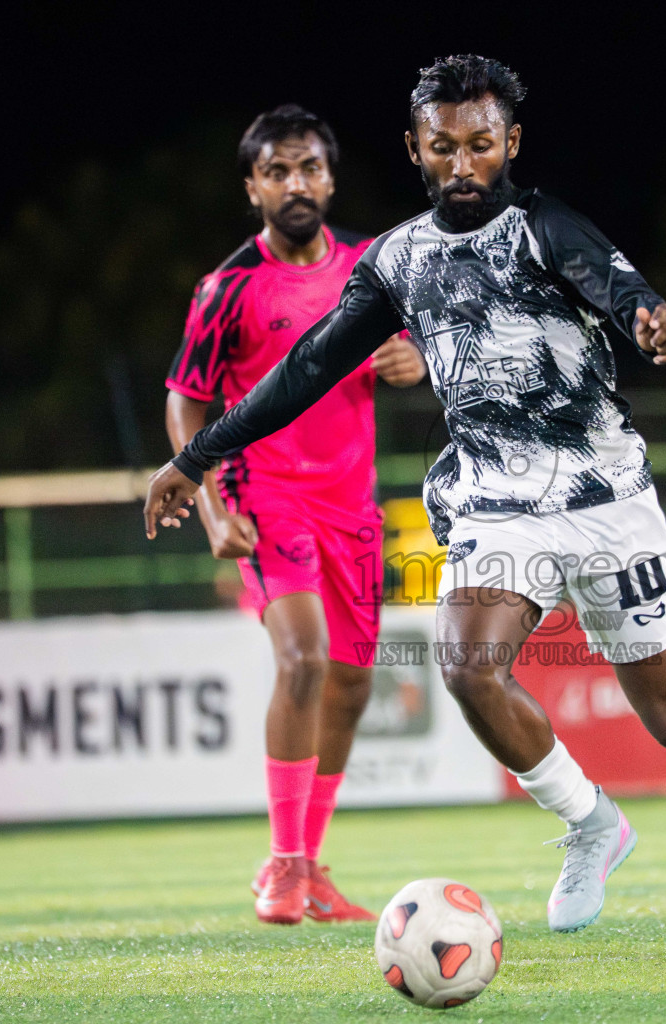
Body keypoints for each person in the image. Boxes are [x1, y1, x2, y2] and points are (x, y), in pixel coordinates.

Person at [147, 59, 666, 956]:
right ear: (415, 147)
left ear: (509, 144)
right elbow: (303, 373)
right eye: (442, 147)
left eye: (480, 145)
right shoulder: (396, 261)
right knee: (467, 666)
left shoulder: (545, 226)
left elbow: (618, 286)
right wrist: (195, 456)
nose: (461, 164)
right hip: (495, 499)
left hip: (605, 498)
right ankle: (590, 821)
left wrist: (650, 318)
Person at [163, 104, 427, 926]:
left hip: (350, 504)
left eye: (308, 167)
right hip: (262, 491)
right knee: (305, 659)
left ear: (331, 177)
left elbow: (423, 353)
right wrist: (209, 502)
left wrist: (412, 359)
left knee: (350, 685)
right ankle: (281, 864)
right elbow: (184, 402)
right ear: (253, 188)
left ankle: (309, 865)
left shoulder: (370, 268)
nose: (296, 183)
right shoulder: (228, 288)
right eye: (276, 171)